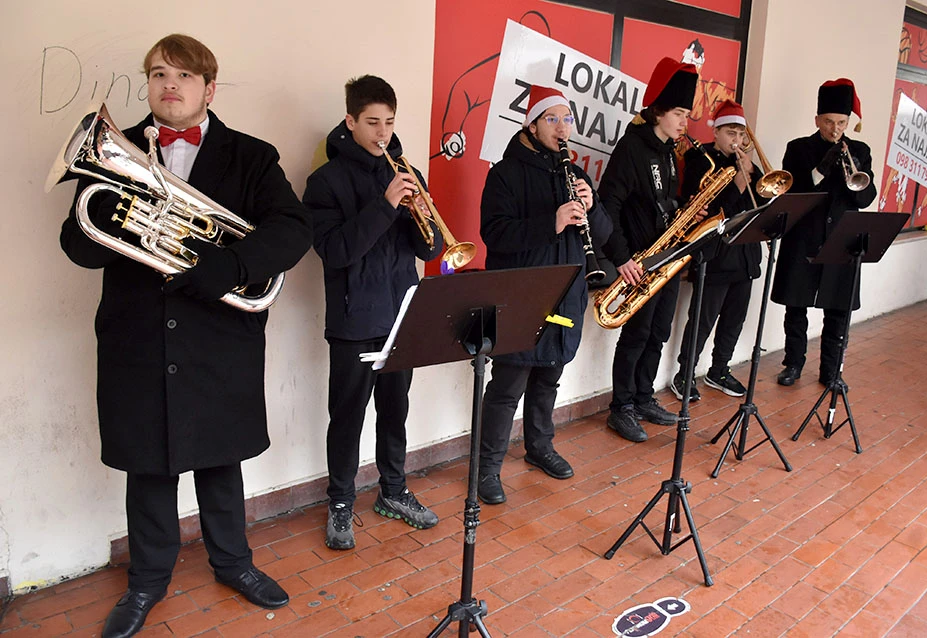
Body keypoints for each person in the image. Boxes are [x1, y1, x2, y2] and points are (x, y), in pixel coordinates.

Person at [59, 34, 311, 638]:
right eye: (158, 74)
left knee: (221, 463)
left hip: (218, 337)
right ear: (148, 86)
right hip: (137, 338)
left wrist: (230, 266)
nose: (169, 85)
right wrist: (121, 216)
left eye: (184, 76)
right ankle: (146, 582)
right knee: (148, 467)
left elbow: (293, 229)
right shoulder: (117, 154)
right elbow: (76, 244)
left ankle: (234, 564)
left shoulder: (251, 156)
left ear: (208, 88)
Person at [303, 75, 442, 550]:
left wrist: (420, 211)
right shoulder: (325, 181)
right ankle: (341, 501)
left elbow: (432, 249)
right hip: (352, 320)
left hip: (402, 313)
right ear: (350, 120)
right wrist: (385, 206)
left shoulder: (406, 173)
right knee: (347, 415)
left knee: (395, 409)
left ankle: (394, 490)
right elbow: (335, 251)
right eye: (372, 122)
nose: (382, 132)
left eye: (389, 122)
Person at [476, 85, 613, 504]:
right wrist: (550, 223)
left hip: (566, 293)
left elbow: (604, 235)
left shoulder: (575, 173)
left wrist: (594, 209)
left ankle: (539, 446)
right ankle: (487, 468)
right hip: (522, 295)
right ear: (531, 125)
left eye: (566, 119)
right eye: (552, 119)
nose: (562, 128)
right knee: (508, 383)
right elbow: (494, 235)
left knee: (549, 374)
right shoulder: (504, 174)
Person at [598, 57, 701, 443]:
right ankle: (620, 407)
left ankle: (643, 397)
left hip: (667, 259)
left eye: (687, 114)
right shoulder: (631, 149)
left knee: (658, 332)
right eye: (678, 113)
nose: (683, 122)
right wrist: (623, 258)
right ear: (658, 110)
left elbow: (658, 201)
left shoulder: (668, 151)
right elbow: (609, 206)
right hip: (639, 262)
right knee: (637, 335)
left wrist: (684, 211)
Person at [771, 78, 877, 386]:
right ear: (817, 120)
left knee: (838, 311)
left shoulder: (860, 150)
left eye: (841, 122)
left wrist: (851, 170)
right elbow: (793, 192)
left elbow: (865, 198)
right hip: (804, 238)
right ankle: (793, 364)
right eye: (829, 122)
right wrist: (820, 169)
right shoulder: (799, 149)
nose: (835, 129)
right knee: (796, 307)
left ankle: (831, 372)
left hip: (842, 241)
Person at [669, 99, 763, 402]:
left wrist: (754, 176)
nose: (736, 141)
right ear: (717, 133)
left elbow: (763, 205)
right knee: (702, 319)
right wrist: (737, 185)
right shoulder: (702, 159)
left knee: (735, 318)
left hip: (746, 256)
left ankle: (719, 369)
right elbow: (711, 214)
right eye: (730, 133)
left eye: (740, 134)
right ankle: (685, 373)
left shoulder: (747, 165)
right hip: (716, 256)